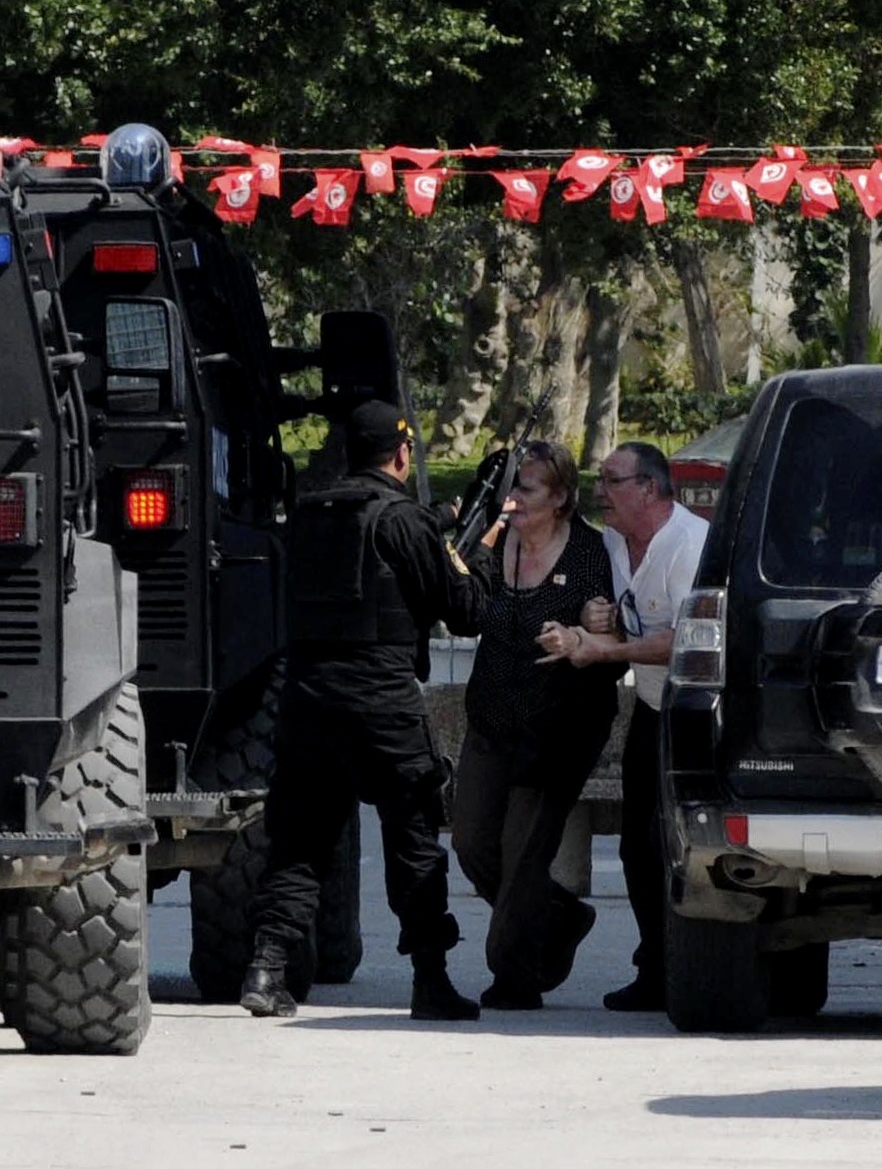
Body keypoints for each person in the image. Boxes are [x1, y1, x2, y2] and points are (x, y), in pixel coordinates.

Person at [241, 401, 505, 1020]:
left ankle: (266, 966)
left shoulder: (306, 516)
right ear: (402, 454)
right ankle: (430, 979)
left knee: (300, 842)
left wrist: (440, 524)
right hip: (381, 704)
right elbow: (465, 611)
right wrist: (483, 550)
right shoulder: (403, 520)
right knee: (413, 838)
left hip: (307, 699)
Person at [451, 441, 623, 1010]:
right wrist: (459, 544)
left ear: (561, 499)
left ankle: (515, 976)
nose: (515, 499)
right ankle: (560, 912)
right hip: (492, 719)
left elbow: (613, 640)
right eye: (512, 487)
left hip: (557, 728)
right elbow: (463, 614)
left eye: (527, 489)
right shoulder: (494, 544)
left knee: (524, 851)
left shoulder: (590, 554)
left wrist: (592, 626)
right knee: (473, 843)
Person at [540, 441, 708, 1012]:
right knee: (638, 845)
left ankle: (684, 963)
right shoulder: (615, 540)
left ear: (649, 489)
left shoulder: (689, 546)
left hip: (699, 708)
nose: (600, 491)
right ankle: (654, 965)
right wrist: (595, 617)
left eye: (612, 480)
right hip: (654, 705)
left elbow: (685, 642)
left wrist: (604, 652)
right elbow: (611, 612)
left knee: (676, 844)